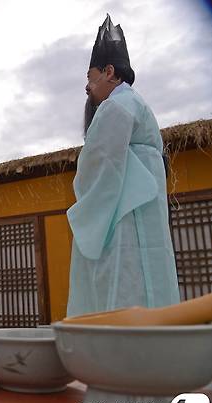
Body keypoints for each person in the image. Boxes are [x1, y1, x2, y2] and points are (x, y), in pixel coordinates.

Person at [66, 15, 180, 316]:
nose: (87, 88)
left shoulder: (116, 106)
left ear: (109, 72)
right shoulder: (135, 102)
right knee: (150, 271)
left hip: (125, 209)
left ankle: (121, 347)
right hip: (142, 204)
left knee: (124, 270)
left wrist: (84, 205)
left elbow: (99, 163)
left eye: (90, 78)